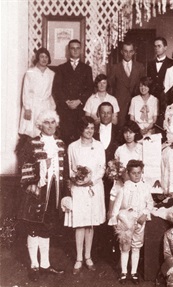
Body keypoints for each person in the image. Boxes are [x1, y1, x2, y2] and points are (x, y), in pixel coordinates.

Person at [17, 110, 65, 282]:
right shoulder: (32, 144)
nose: (50, 126)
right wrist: (42, 167)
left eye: (53, 122)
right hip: (37, 193)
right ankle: (34, 265)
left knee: (47, 227)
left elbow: (63, 171)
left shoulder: (60, 144)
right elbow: (25, 166)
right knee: (34, 228)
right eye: (47, 122)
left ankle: (45, 264)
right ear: (40, 125)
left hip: (54, 193)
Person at [63, 116, 106, 274]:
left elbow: (102, 168)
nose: (89, 131)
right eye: (87, 128)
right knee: (79, 223)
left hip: (93, 188)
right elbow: (71, 169)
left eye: (92, 128)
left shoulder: (99, 146)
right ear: (80, 129)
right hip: (78, 189)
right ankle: (79, 258)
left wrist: (90, 181)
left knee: (90, 223)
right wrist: (77, 181)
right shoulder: (72, 147)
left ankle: (88, 257)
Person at [108, 160, 154, 285]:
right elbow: (116, 207)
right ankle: (124, 272)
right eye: (133, 173)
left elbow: (150, 203)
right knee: (125, 247)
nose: (137, 175)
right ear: (128, 173)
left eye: (139, 173)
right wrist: (115, 221)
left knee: (136, 246)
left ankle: (133, 272)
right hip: (125, 222)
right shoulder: (123, 189)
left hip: (139, 221)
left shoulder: (145, 188)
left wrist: (145, 213)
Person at [53, 39, 94, 145]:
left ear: (81, 50)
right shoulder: (61, 68)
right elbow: (56, 89)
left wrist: (79, 101)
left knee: (79, 136)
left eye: (77, 48)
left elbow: (90, 89)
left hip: (80, 109)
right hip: (65, 110)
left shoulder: (87, 69)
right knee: (65, 137)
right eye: (72, 48)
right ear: (68, 51)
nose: (75, 51)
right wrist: (66, 101)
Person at [93, 102, 120, 261]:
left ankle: (113, 247)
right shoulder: (92, 130)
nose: (105, 116)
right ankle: (98, 247)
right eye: (102, 112)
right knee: (98, 210)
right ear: (98, 114)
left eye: (109, 112)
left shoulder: (118, 131)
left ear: (113, 114)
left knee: (112, 210)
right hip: (96, 178)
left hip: (113, 179)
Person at [18, 48, 56, 139]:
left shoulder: (51, 73)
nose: (44, 59)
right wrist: (27, 108)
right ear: (37, 58)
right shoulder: (30, 72)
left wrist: (52, 107)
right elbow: (26, 91)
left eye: (46, 57)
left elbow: (50, 93)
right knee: (31, 131)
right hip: (32, 105)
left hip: (45, 105)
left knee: (44, 130)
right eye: (42, 57)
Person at [108, 121, 143, 217]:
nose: (128, 135)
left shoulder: (141, 149)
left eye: (131, 132)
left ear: (135, 133)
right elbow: (116, 172)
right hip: (121, 186)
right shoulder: (120, 150)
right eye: (125, 132)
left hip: (137, 186)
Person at [108, 41, 146, 127]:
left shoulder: (140, 67)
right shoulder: (115, 68)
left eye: (130, 51)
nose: (128, 54)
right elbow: (110, 88)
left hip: (137, 105)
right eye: (125, 51)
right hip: (120, 105)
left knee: (135, 129)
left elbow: (144, 86)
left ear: (133, 52)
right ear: (121, 52)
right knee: (121, 130)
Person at [147, 37, 173, 118]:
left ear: (165, 47)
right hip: (152, 98)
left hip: (167, 99)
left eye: (159, 46)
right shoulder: (150, 63)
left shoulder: (172, 63)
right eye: (155, 46)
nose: (156, 48)